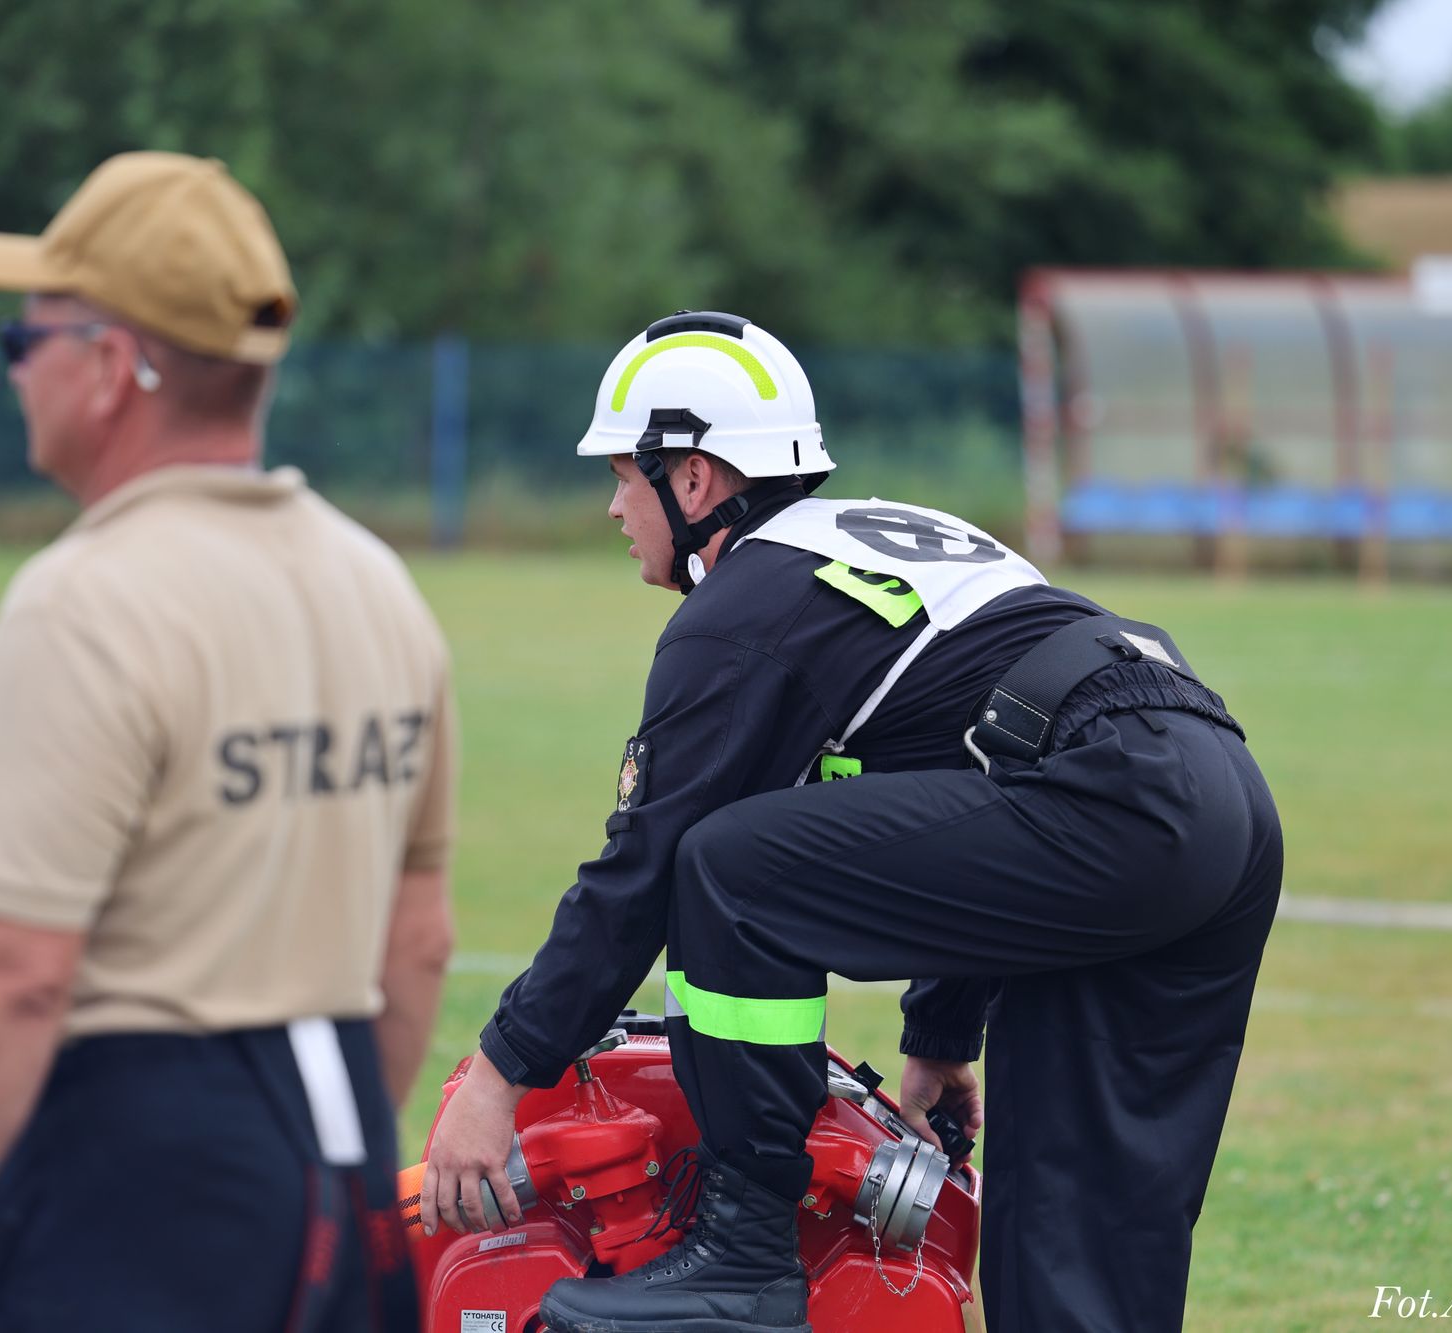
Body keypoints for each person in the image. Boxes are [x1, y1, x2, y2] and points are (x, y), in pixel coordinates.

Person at [422, 311, 1283, 1332]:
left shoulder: (740, 609)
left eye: (621, 475)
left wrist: (498, 1073)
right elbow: (978, 767)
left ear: (692, 480)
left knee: (725, 868)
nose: (615, 508)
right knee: (1076, 1227)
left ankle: (740, 1253)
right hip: (1211, 793)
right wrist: (940, 1034)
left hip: (1110, 797)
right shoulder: (865, 547)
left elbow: (644, 868)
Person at [0, 152, 457, 1333]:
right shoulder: (378, 584)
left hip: (139, 1176)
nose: (15, 369)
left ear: (110, 368)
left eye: (26, 338)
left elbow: (11, 974)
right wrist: (325, 1180)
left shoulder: (87, 601)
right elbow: (414, 944)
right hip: (341, 1151)